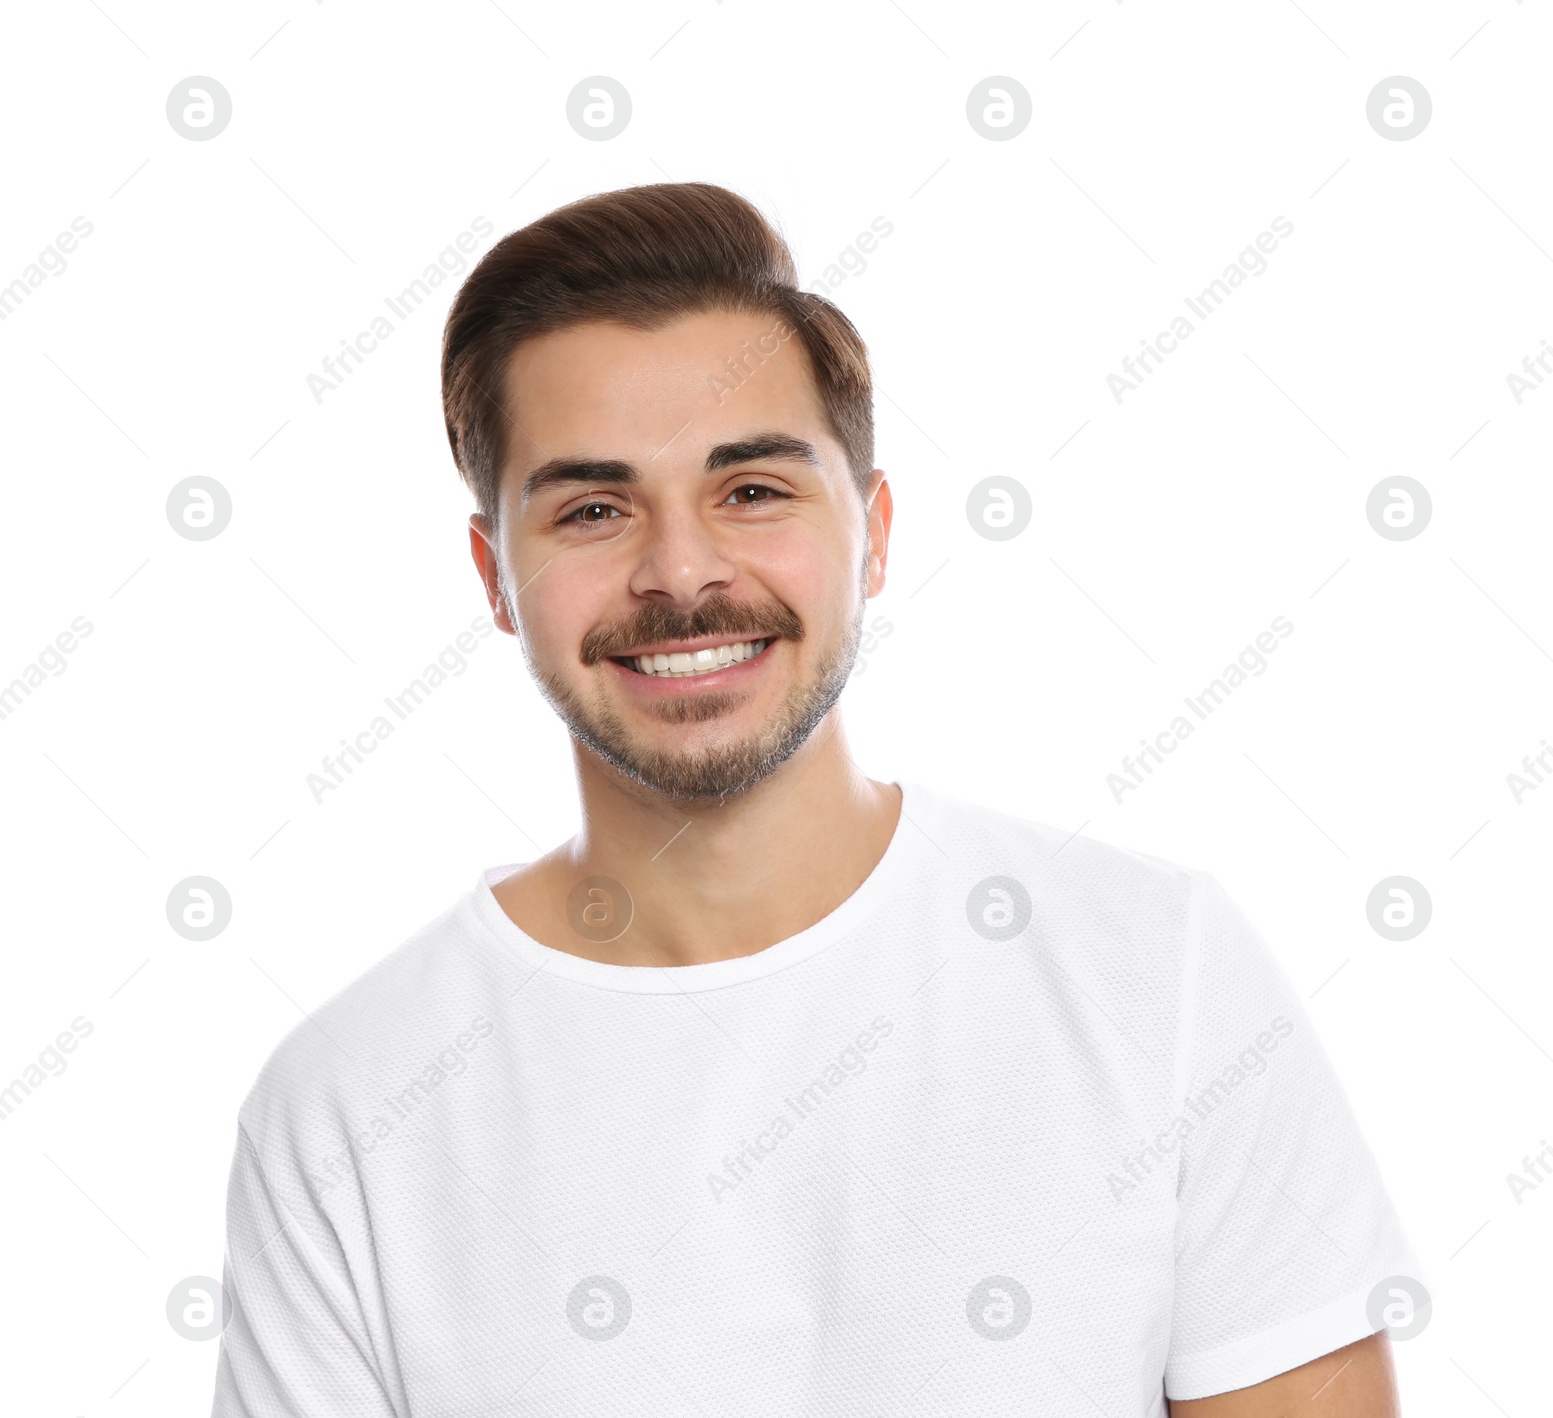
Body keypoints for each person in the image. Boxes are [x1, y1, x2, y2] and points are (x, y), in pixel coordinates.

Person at [210, 182, 1426, 1416]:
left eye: (751, 490)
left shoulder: (1156, 973)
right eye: (592, 507)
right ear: (496, 576)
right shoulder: (349, 1108)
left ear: (875, 531)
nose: (679, 570)